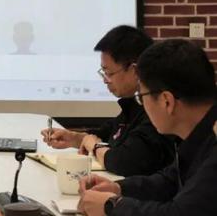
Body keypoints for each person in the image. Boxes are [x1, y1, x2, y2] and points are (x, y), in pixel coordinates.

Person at [78, 39, 217, 216]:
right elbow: (170, 181)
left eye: (141, 97)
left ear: (167, 101)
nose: (142, 104)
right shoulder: (198, 135)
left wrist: (112, 206)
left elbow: (181, 212)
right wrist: (118, 188)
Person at [42, 26, 174, 176]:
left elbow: (126, 161)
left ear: (135, 71)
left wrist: (95, 147)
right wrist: (75, 138)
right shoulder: (132, 105)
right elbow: (111, 133)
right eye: (103, 72)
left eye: (109, 72)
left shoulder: (156, 108)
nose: (105, 80)